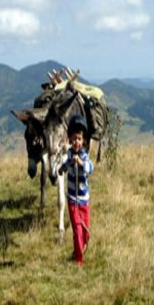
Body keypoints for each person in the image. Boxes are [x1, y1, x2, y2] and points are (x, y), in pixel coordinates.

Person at [60, 113, 94, 265]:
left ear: (83, 140)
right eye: (73, 139)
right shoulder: (69, 155)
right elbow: (65, 166)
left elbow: (90, 168)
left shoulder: (85, 157)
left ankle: (77, 251)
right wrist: (62, 168)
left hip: (84, 200)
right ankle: (79, 259)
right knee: (77, 229)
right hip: (73, 200)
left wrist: (80, 163)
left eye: (79, 139)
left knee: (85, 232)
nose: (76, 142)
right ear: (70, 140)